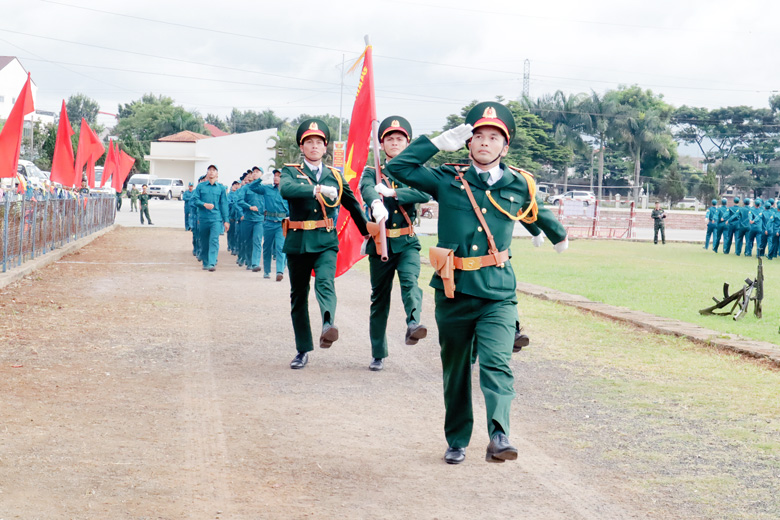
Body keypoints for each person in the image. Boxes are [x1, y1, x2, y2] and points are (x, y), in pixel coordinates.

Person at [386, 101, 568, 465]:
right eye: (478, 136)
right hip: (453, 291)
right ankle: (457, 438)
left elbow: (535, 209)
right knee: (456, 371)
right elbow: (398, 166)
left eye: (493, 137)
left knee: (497, 363)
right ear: (468, 144)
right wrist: (438, 142)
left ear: (505, 145)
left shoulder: (519, 182)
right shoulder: (447, 179)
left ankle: (499, 435)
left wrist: (556, 234)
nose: (485, 142)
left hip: (498, 292)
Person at [279, 118, 369, 370]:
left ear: (325, 147)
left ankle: (328, 324)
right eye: (309, 142)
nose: (314, 146)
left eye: (319, 142)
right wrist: (316, 190)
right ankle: (302, 349)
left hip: (326, 241)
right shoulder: (290, 171)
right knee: (298, 296)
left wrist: (368, 234)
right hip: (297, 242)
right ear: (302, 147)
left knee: (325, 281)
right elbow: (286, 190)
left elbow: (353, 206)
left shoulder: (336, 176)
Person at [359, 115, 431, 372]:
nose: (395, 142)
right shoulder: (373, 171)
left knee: (411, 282)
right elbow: (366, 189)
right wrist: (376, 201)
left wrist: (394, 193)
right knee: (380, 299)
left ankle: (414, 324)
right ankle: (378, 352)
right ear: (382, 144)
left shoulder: (415, 172)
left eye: (399, 138)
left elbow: (425, 192)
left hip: (407, 241)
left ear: (407, 143)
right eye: (389, 138)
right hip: (381, 245)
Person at [191, 165, 229, 271]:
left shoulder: (221, 188)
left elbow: (224, 204)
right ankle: (206, 262)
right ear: (207, 173)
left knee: (214, 240)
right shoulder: (201, 187)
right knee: (204, 241)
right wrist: (204, 204)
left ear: (217, 174)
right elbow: (194, 200)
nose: (211, 172)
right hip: (203, 218)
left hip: (216, 219)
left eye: (213, 170)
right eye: (209, 170)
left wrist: (226, 220)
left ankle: (212, 263)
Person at [239, 166, 271, 272]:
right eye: (254, 172)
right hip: (248, 219)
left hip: (259, 219)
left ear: (262, 175)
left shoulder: (265, 187)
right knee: (247, 242)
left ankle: (255, 264)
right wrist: (249, 207)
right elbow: (239, 201)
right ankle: (249, 261)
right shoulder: (245, 188)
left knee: (257, 241)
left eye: (258, 172)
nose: (255, 173)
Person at [263, 169, 289, 281]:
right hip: (269, 222)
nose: (276, 177)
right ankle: (267, 271)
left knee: (280, 248)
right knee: (267, 247)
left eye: (279, 176)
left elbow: (293, 205)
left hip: (281, 223)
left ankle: (279, 271)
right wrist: (261, 178)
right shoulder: (267, 189)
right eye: (275, 175)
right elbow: (252, 187)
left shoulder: (287, 191)